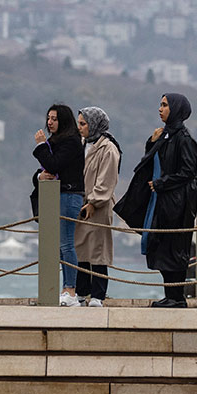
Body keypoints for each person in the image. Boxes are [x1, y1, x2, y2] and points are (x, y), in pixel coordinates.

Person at [114, 93, 197, 308]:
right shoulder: (165, 135)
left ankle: (177, 297)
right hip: (161, 201)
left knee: (174, 249)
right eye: (160, 104)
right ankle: (170, 295)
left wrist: (163, 183)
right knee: (159, 247)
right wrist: (152, 142)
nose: (160, 109)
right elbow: (150, 161)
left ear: (176, 109)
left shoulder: (184, 138)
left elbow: (189, 171)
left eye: (164, 105)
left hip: (178, 204)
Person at [33, 104, 86, 306]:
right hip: (55, 196)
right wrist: (40, 176)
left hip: (69, 195)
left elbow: (53, 164)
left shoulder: (71, 141)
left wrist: (41, 146)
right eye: (48, 118)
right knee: (60, 246)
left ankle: (70, 290)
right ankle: (64, 288)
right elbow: (45, 170)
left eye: (54, 119)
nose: (49, 122)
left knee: (66, 243)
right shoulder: (56, 141)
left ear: (63, 121)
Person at [74, 106, 121, 307]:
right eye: (79, 123)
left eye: (83, 124)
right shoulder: (81, 145)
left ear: (94, 125)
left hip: (99, 207)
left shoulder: (108, 148)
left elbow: (107, 180)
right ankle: (81, 292)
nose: (79, 127)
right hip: (79, 204)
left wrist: (94, 201)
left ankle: (98, 295)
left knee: (98, 251)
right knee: (81, 250)